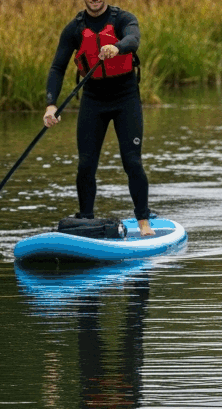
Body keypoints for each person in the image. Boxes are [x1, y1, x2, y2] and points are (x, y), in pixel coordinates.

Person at [43, 0, 154, 236]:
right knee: (85, 165)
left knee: (132, 162)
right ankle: (86, 221)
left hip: (126, 97)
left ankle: (143, 220)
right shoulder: (74, 29)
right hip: (93, 99)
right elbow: (57, 67)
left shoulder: (123, 19)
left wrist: (117, 47)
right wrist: (51, 105)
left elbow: (133, 39)